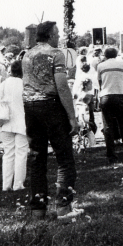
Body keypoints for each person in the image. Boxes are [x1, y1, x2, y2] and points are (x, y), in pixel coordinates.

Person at [21, 21, 81, 219]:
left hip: (30, 106)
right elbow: (62, 87)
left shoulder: (26, 55)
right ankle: (64, 205)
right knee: (64, 157)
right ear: (49, 35)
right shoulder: (56, 54)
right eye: (57, 33)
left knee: (37, 158)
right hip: (51, 105)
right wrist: (72, 117)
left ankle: (37, 209)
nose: (59, 36)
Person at [96, 46, 123, 163]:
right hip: (119, 96)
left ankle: (111, 154)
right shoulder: (122, 64)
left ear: (105, 55)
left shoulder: (100, 66)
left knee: (108, 126)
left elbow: (100, 83)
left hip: (105, 97)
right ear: (116, 54)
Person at [0, 59, 28, 192]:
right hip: (22, 122)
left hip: (6, 122)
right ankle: (18, 184)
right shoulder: (25, 84)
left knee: (8, 154)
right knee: (21, 154)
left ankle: (6, 185)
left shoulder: (4, 84)